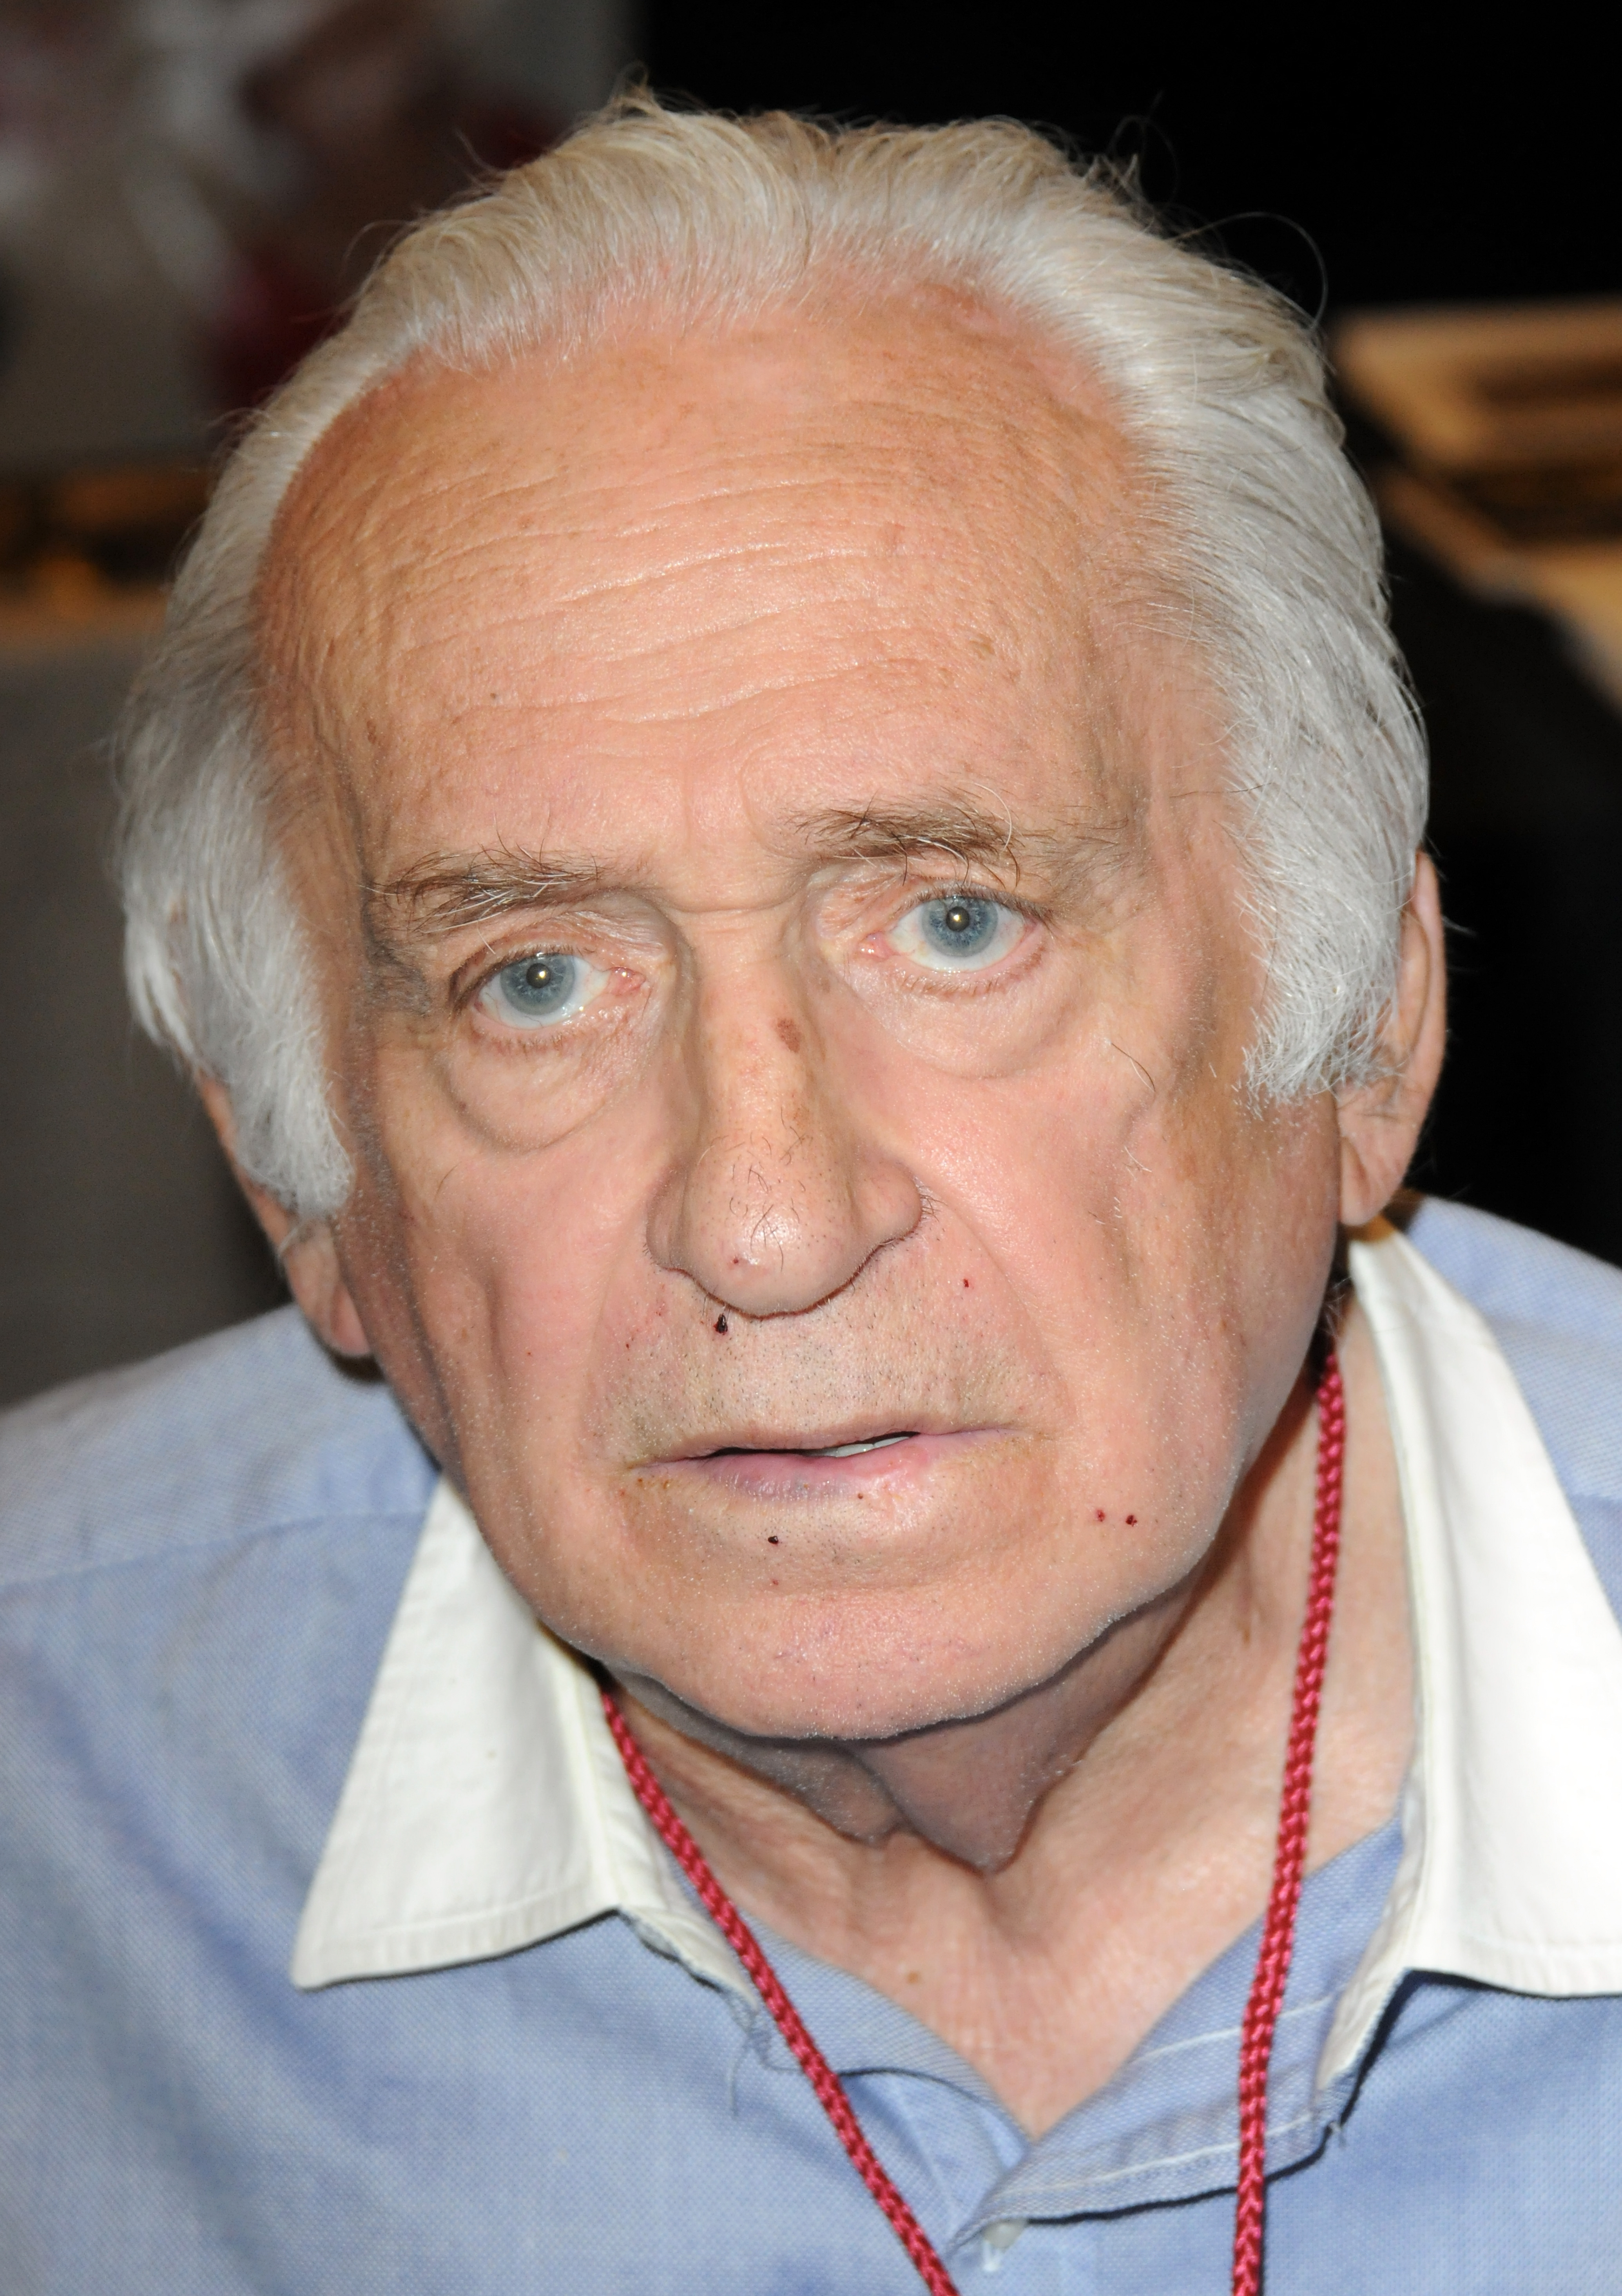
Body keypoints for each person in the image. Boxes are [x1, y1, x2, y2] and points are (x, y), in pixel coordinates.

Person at [5, 94, 1622, 2296]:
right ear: (308, 1192)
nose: (769, 1220)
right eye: (536, 980)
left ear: (1365, 1039)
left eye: (956, 923)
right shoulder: (52, 1815)